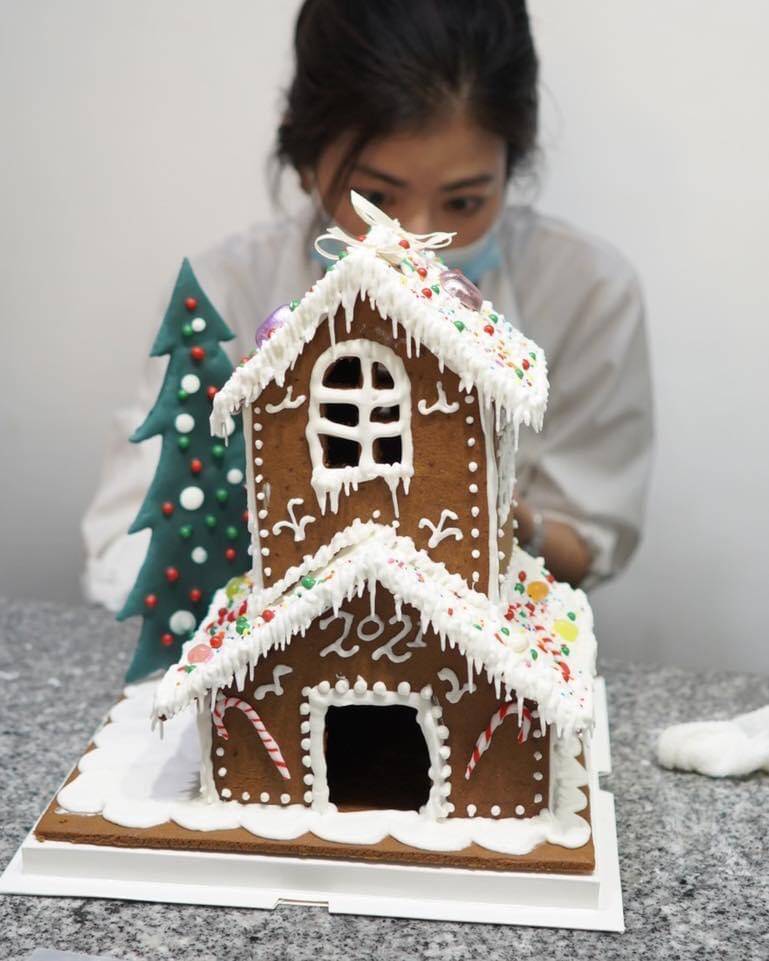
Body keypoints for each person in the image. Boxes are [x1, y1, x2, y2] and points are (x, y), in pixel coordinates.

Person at [82, 0, 653, 611]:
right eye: (376, 196)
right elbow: (125, 549)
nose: (411, 241)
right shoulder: (227, 291)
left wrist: (498, 517)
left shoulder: (586, 292)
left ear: (510, 169)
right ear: (306, 165)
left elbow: (590, 541)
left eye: (463, 203)